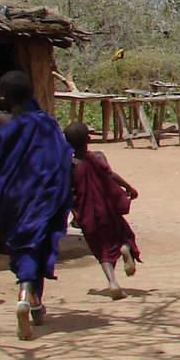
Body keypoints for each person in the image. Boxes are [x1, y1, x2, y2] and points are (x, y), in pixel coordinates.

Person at [0, 69, 74, 341]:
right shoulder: (47, 124)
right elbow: (62, 158)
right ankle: (28, 294)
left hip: (14, 199)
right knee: (38, 245)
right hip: (43, 197)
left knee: (23, 246)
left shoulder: (0, 121)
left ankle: (32, 301)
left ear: (3, 98)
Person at [64, 121, 140, 298]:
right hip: (107, 210)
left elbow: (67, 191)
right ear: (89, 139)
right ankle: (124, 248)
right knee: (123, 235)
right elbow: (110, 175)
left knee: (101, 249)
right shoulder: (97, 157)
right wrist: (128, 187)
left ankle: (112, 282)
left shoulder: (70, 166)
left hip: (87, 214)